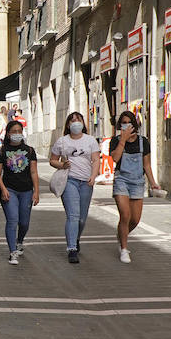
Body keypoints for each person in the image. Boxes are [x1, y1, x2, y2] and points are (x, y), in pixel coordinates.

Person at [49, 112, 100, 264]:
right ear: (68, 125)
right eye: (72, 120)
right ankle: (71, 248)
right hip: (69, 181)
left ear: (83, 123)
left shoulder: (90, 140)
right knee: (73, 215)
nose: (75, 123)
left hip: (86, 182)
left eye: (78, 120)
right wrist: (61, 165)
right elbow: (52, 160)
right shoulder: (62, 141)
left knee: (82, 218)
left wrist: (94, 175)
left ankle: (76, 238)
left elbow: (96, 159)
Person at [110, 109, 160, 263]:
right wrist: (123, 140)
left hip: (137, 181)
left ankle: (121, 235)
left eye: (129, 123)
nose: (126, 125)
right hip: (121, 180)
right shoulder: (115, 140)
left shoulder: (143, 141)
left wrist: (153, 183)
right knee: (125, 215)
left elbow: (146, 164)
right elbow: (115, 158)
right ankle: (124, 249)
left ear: (134, 124)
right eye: (123, 123)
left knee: (135, 219)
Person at [0, 119, 40, 265]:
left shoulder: (29, 151)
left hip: (26, 191)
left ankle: (19, 241)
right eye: (14, 132)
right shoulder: (2, 152)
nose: (17, 134)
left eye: (19, 131)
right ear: (7, 134)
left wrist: (36, 191)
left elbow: (33, 172)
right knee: (12, 220)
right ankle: (12, 251)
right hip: (10, 190)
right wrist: (3, 189)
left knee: (24, 222)